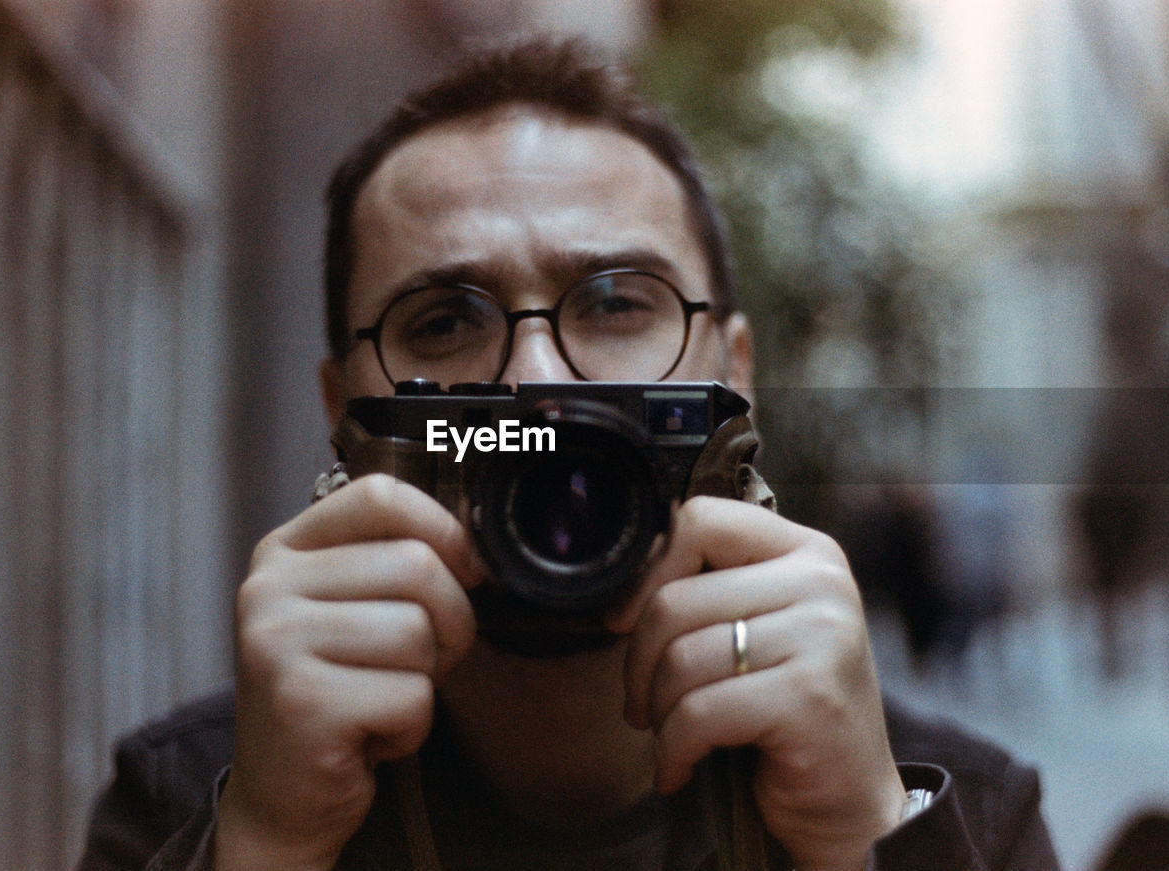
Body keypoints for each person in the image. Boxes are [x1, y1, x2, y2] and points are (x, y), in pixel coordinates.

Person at [78, 38, 1060, 871]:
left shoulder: (952, 810)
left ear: (733, 367)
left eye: (616, 302)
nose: (537, 383)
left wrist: (863, 838)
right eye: (444, 320)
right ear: (345, 409)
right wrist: (263, 844)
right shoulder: (188, 801)